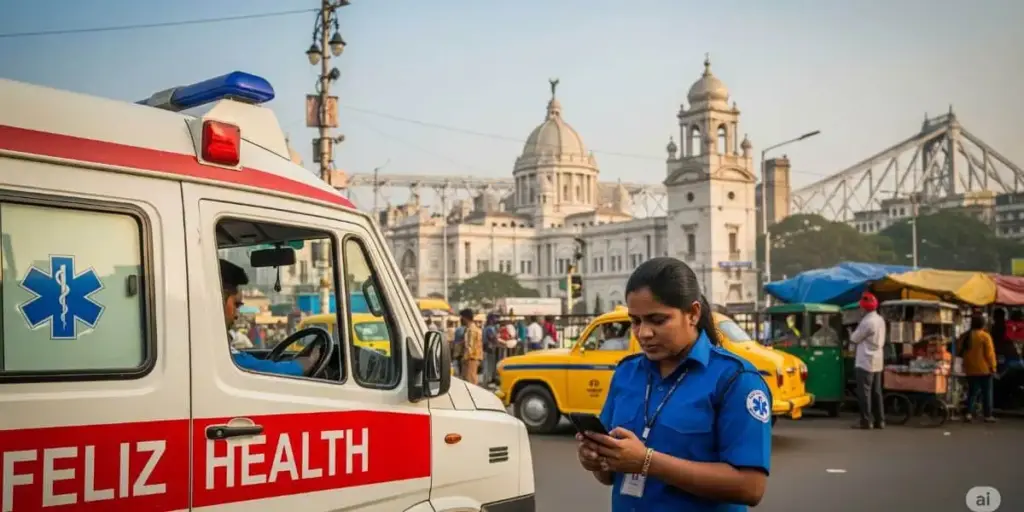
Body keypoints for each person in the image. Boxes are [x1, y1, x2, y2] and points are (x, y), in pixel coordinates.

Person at [576, 257, 770, 510]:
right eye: (635, 321)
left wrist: (647, 462)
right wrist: (596, 459)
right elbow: (609, 476)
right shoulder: (626, 373)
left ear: (693, 313)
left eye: (658, 320)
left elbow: (751, 487)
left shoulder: (735, 379)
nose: (643, 333)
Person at [220, 259, 319, 376]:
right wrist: (306, 363)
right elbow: (262, 369)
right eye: (236, 305)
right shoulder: (222, 354)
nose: (236, 315)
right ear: (219, 301)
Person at [848, 291, 886, 430]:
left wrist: (852, 331)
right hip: (877, 360)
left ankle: (866, 421)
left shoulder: (867, 322)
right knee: (876, 392)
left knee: (864, 393)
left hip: (865, 361)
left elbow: (854, 338)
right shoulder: (880, 320)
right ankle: (880, 420)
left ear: (864, 308)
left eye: (861, 307)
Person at [958, 314, 998, 423]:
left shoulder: (965, 336)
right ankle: (987, 415)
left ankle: (968, 414)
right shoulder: (985, 336)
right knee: (987, 393)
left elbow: (959, 350)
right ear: (983, 324)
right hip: (984, 369)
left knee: (972, 392)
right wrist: (993, 367)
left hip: (969, 368)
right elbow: (990, 354)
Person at [460, 308, 484, 385]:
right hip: (473, 358)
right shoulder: (474, 329)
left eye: (462, 317)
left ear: (465, 318)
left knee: (470, 382)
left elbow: (470, 346)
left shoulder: (471, 330)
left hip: (471, 359)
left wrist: (464, 359)